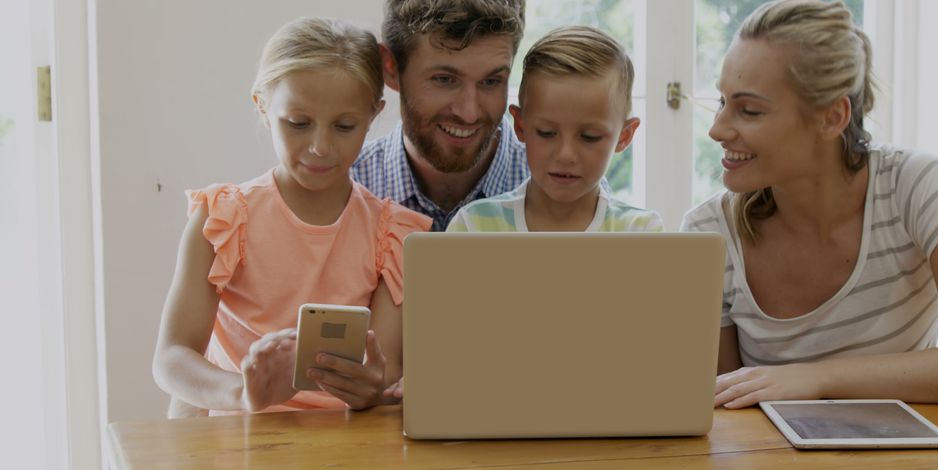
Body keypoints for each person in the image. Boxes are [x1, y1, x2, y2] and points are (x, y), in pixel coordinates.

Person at [681, 0, 938, 409]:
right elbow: (723, 411)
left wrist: (817, 378)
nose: (717, 129)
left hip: (908, 465)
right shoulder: (711, 231)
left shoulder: (914, 186)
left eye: (748, 110)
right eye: (722, 101)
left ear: (832, 118)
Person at [153, 17, 431, 418]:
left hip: (342, 450)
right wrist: (244, 394)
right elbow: (172, 358)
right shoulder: (223, 220)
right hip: (236, 441)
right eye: (298, 124)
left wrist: (371, 389)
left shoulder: (393, 236)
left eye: (344, 126)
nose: (320, 147)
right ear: (263, 107)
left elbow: (385, 373)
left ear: (373, 116)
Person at [445, 26, 661, 232]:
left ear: (624, 136)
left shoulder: (640, 231)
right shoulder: (472, 227)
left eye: (589, 137)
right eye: (546, 133)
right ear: (520, 126)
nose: (565, 155)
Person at [350, 0, 530, 231]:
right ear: (391, 68)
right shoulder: (342, 189)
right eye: (444, 79)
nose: (469, 113)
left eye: (491, 81)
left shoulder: (563, 191)